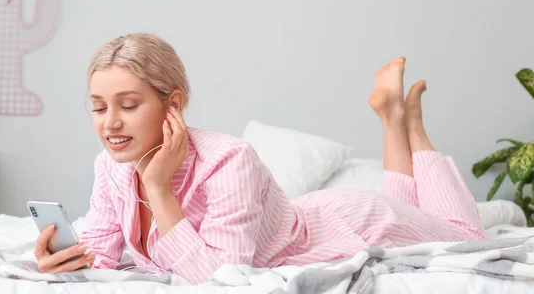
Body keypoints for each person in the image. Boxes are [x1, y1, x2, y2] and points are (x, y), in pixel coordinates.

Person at [34, 33, 486, 284]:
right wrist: (65, 259)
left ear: (173, 104)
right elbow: (105, 251)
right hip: (307, 215)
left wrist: (157, 188)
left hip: (352, 221)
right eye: (97, 107)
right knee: (425, 214)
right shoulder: (110, 168)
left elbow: (224, 279)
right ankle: (390, 117)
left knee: (465, 235)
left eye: (128, 106)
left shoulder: (230, 159)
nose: (109, 123)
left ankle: (411, 126)